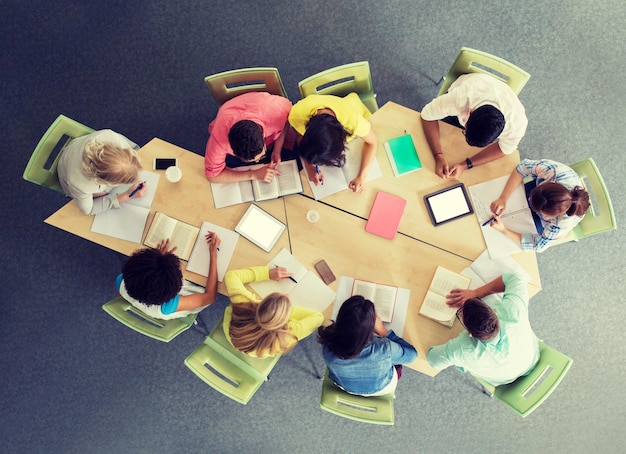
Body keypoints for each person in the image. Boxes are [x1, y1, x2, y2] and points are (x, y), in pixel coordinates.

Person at [427, 272, 540, 387]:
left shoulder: (463, 348)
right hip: (531, 359)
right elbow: (515, 277)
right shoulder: (514, 311)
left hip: (503, 380)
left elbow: (433, 360)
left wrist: (450, 349)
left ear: (469, 334)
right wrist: (476, 293)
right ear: (492, 311)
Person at [421, 73, 528, 179]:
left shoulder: (518, 125)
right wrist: (438, 156)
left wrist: (466, 165)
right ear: (470, 112)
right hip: (473, 83)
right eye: (464, 132)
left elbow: (504, 149)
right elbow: (426, 115)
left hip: (497, 93)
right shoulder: (459, 98)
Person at [318, 295, 417, 396]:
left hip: (344, 385)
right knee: (398, 363)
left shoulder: (327, 342)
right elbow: (412, 355)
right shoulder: (384, 348)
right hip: (380, 388)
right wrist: (382, 330)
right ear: (370, 328)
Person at [488, 158, 590, 252]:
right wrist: (503, 198)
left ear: (548, 215)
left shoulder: (559, 224)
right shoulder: (552, 171)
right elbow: (522, 167)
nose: (528, 199)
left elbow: (537, 245)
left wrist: (503, 230)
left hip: (555, 224)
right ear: (547, 184)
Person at [223, 265, 324, 358]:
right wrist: (286, 311)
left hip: (234, 336)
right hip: (256, 351)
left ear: (262, 303)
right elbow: (319, 318)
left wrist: (267, 273)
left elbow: (231, 276)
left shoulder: (244, 302)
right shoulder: (287, 336)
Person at [116, 233, 220, 320]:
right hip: (192, 295)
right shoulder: (168, 305)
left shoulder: (121, 281)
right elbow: (210, 297)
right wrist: (213, 254)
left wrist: (158, 259)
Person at [288, 93, 377, 192]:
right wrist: (309, 167)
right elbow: (299, 135)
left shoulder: (354, 121)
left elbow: (372, 142)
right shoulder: (297, 114)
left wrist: (362, 177)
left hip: (356, 109)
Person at [204, 92, 297, 184]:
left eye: (262, 155)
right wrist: (253, 174)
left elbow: (287, 119)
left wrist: (277, 150)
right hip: (227, 113)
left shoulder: (279, 109)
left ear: (262, 135)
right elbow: (212, 177)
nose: (257, 161)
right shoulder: (219, 141)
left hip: (264, 106)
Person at [57, 129, 146, 215]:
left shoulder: (109, 135)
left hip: (76, 147)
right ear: (104, 181)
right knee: (95, 197)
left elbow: (134, 149)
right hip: (66, 171)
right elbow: (89, 210)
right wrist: (126, 196)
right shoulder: (80, 184)